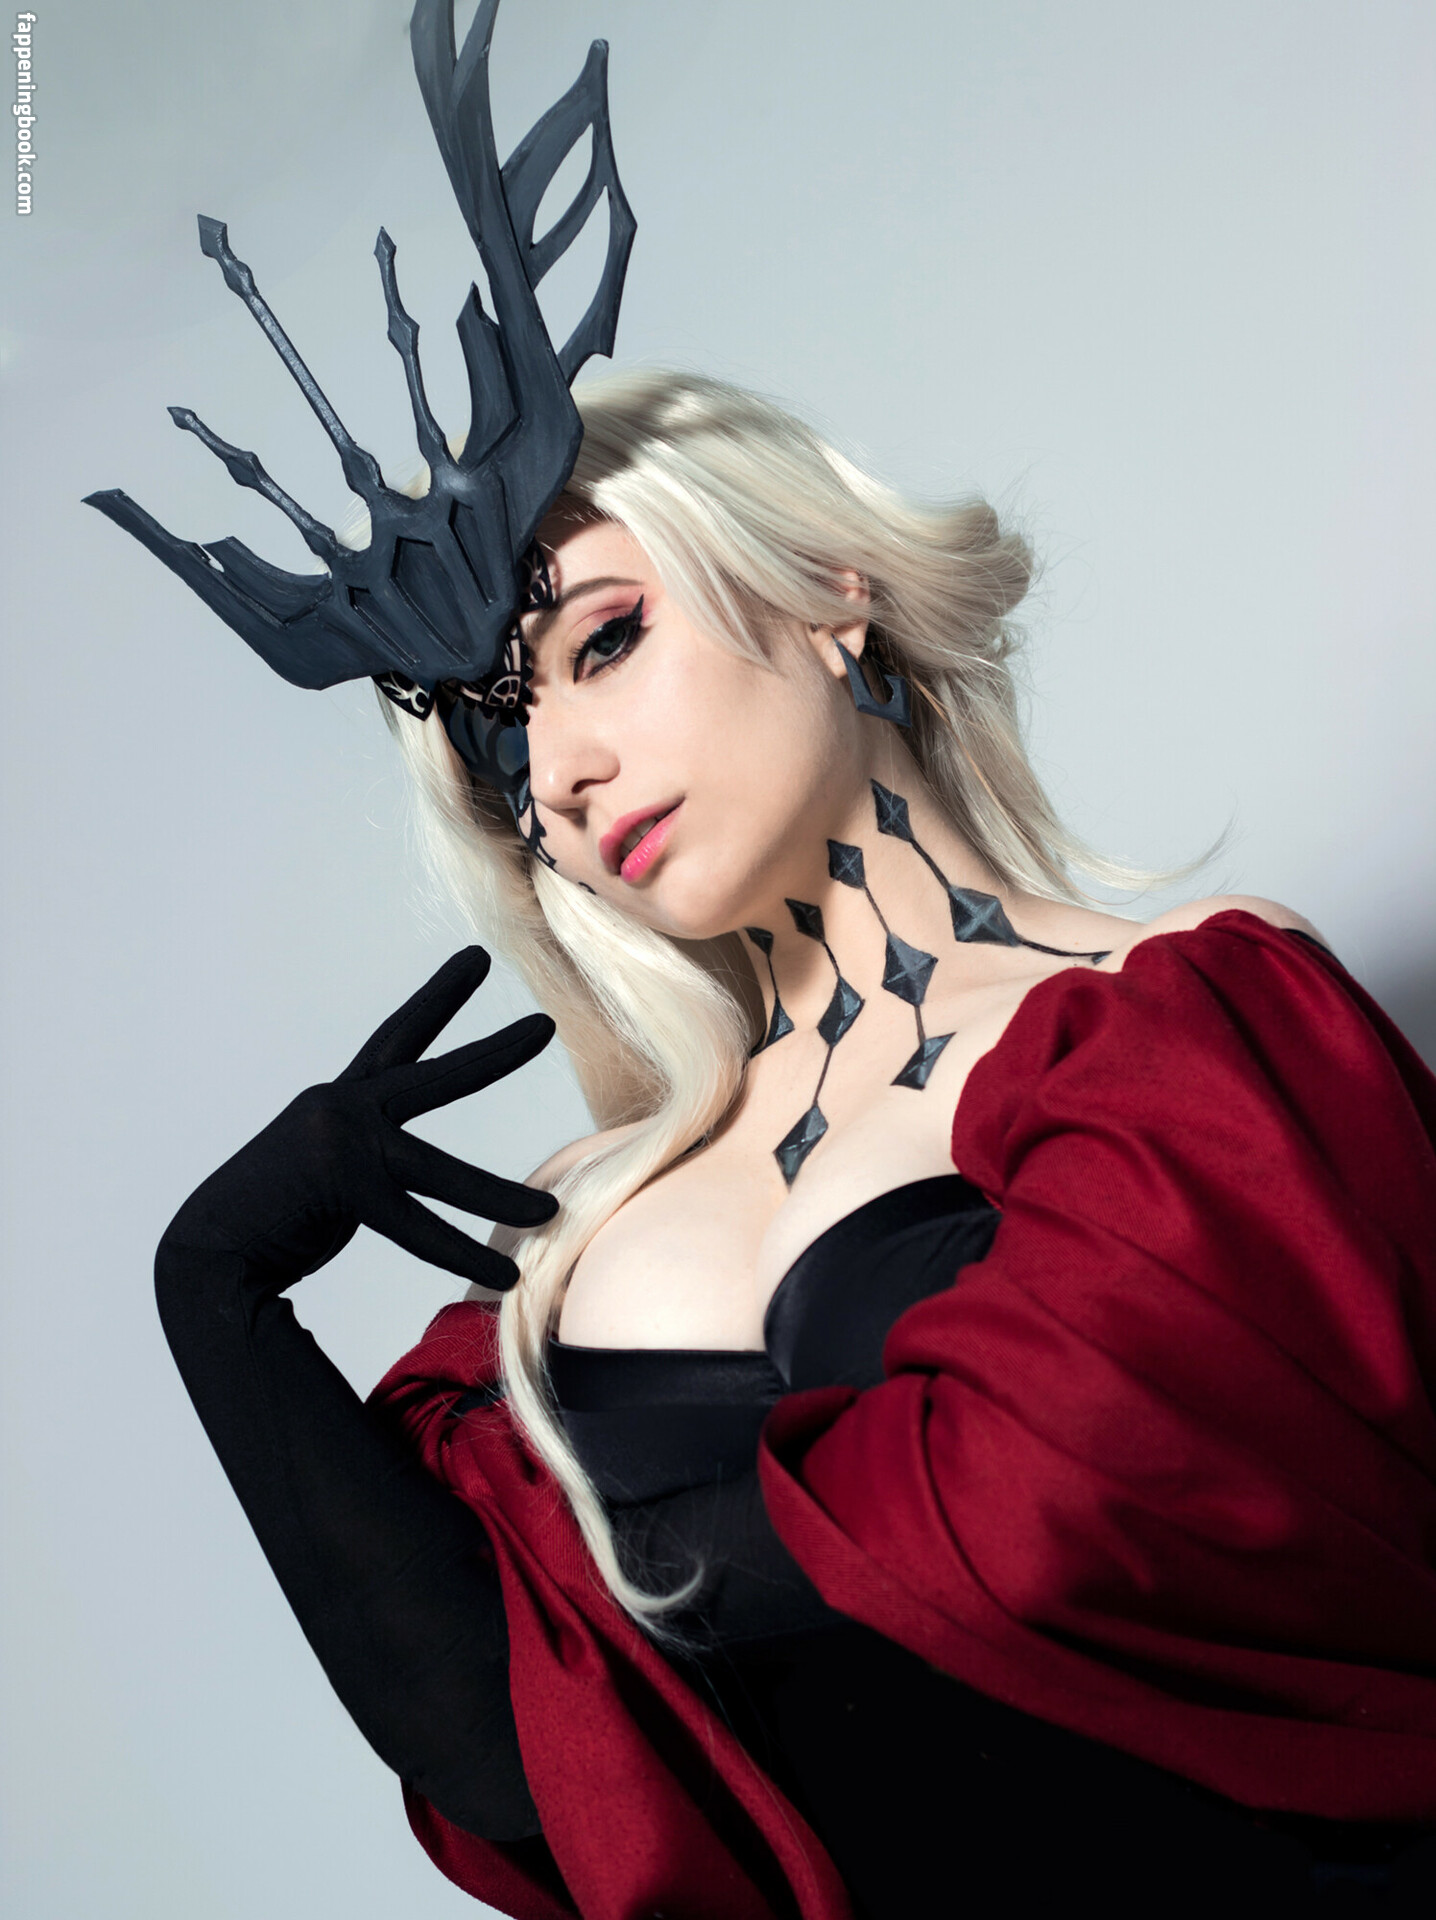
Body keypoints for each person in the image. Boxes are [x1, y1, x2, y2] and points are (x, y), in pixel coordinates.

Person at [85, 3, 1436, 1915]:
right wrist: (214, 1292)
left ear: (823, 594)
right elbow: (523, 1763)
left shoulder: (1196, 1015)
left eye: (603, 642)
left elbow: (1053, 1512)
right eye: (504, 750)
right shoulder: (583, 1225)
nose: (562, 770)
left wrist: (654, 1554)